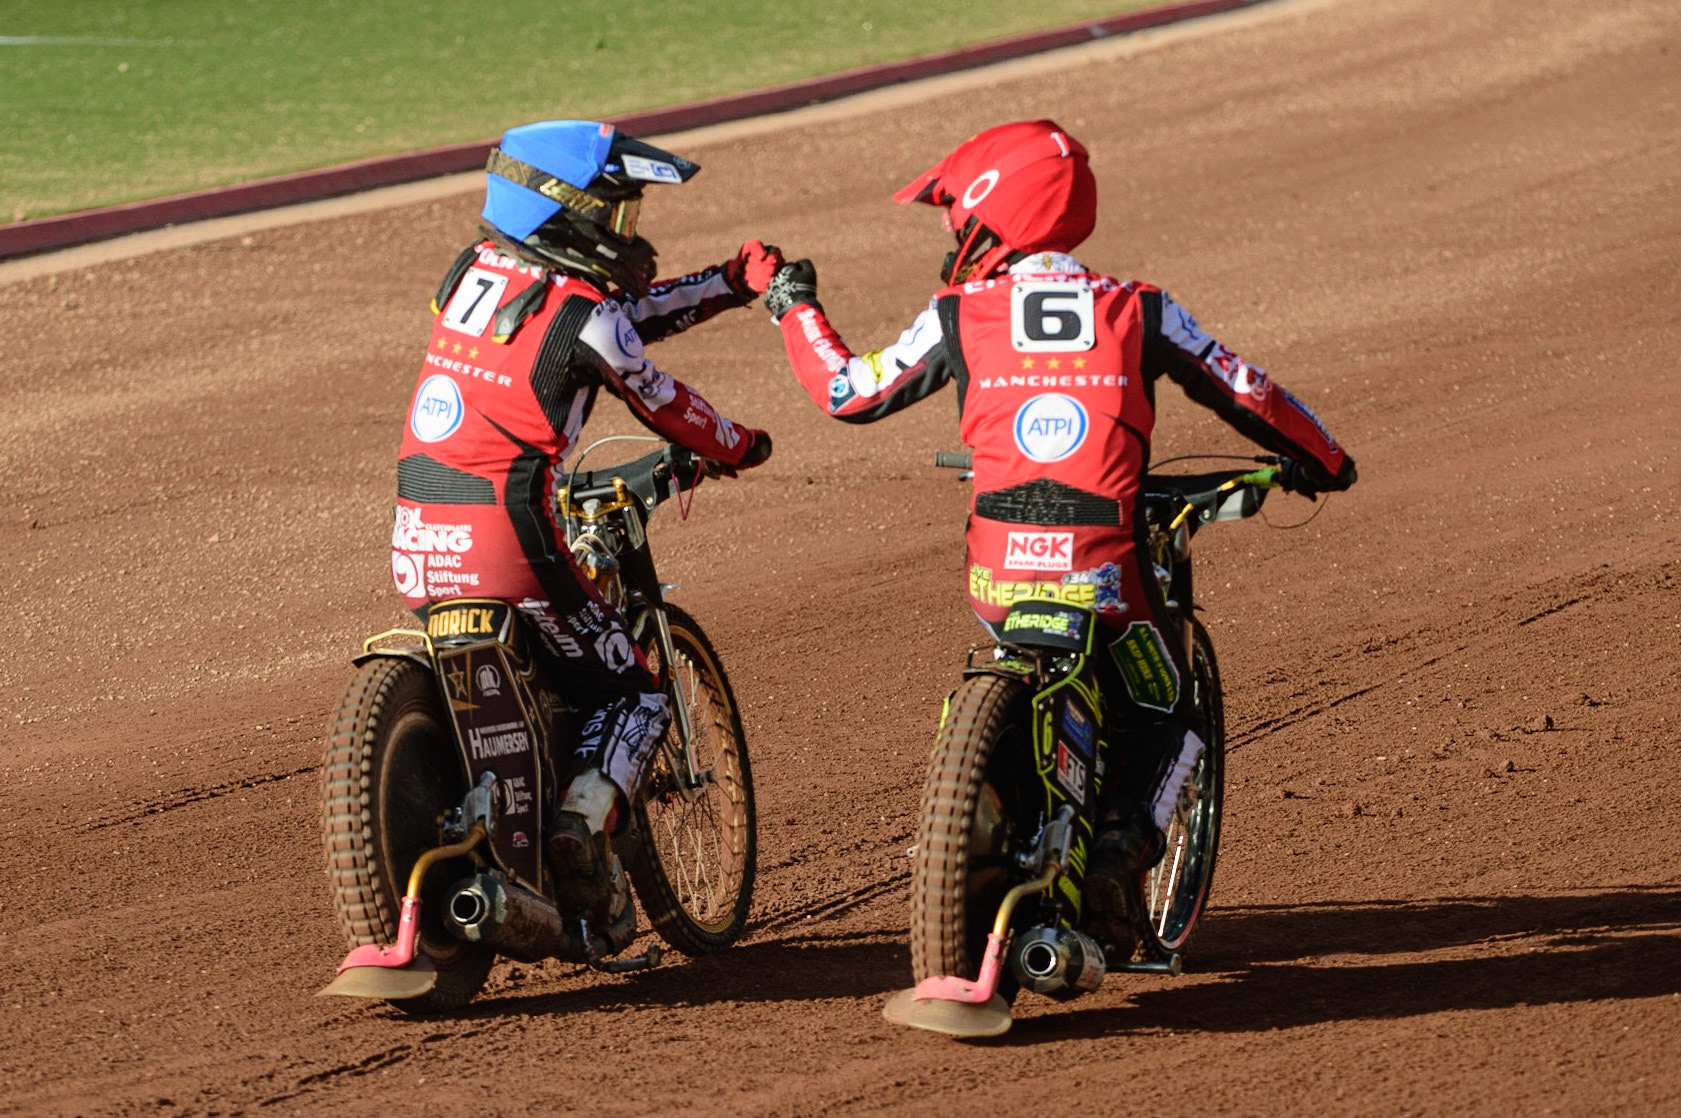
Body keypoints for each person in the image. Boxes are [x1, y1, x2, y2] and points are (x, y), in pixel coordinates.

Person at [761, 119, 1354, 929]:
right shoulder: (1139, 309)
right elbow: (1245, 390)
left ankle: (993, 804)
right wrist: (1322, 457)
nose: (950, 234)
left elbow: (848, 392)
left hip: (995, 571)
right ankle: (1118, 845)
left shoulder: (957, 311)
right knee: (1165, 706)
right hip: (1105, 567)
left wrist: (795, 309)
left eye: (953, 216)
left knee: (1012, 638)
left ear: (990, 211)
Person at [392, 119, 776, 922]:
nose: (625, 235)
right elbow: (665, 400)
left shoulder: (467, 274)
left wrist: (725, 284)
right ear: (562, 212)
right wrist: (741, 447)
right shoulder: (588, 316)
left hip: (417, 538)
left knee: (548, 666)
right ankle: (578, 822)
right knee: (634, 690)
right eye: (614, 215)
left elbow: (611, 318)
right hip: (510, 540)